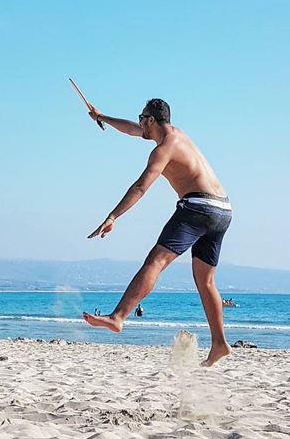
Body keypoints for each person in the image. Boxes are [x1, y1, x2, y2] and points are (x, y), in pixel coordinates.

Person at [82, 99, 233, 367]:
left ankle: (118, 316)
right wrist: (102, 117)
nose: (139, 124)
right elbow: (131, 130)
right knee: (205, 280)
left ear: (151, 120)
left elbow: (141, 186)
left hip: (197, 207)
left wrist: (113, 216)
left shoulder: (163, 149)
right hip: (222, 211)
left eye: (142, 118)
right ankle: (220, 343)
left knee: (156, 261)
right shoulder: (178, 135)